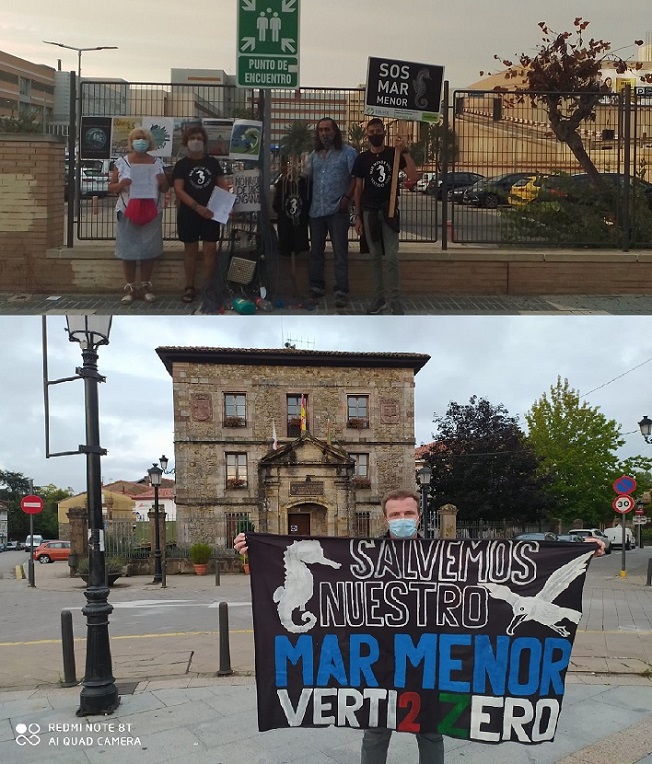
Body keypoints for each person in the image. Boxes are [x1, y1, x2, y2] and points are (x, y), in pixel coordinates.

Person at [352, 118, 418, 315]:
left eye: (378, 131)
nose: (374, 134)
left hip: (389, 212)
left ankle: (395, 300)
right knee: (374, 257)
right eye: (371, 132)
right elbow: (358, 188)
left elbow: (413, 176)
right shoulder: (361, 159)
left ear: (384, 132)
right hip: (369, 212)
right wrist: (357, 216)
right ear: (367, 135)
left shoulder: (393, 154)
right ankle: (378, 298)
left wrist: (404, 151)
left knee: (391, 257)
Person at [109, 127, 169, 304]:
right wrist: (121, 184)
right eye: (137, 138)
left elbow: (165, 189)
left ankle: (144, 287)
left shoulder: (157, 163)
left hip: (151, 211)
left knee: (148, 250)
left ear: (149, 142)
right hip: (127, 210)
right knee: (128, 250)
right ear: (131, 141)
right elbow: (111, 187)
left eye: (143, 138)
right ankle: (130, 287)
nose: (140, 141)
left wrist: (164, 181)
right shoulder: (121, 163)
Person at [172, 124, 229, 303]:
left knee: (210, 250)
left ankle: (208, 286)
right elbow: (178, 190)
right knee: (190, 250)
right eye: (192, 139)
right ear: (186, 142)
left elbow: (223, 185)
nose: (195, 142)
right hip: (189, 213)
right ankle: (189, 287)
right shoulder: (181, 165)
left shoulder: (212, 163)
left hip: (211, 212)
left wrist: (228, 205)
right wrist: (197, 207)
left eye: (199, 139)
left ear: (204, 142)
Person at [305, 117, 357, 308]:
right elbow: (307, 178)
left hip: (338, 210)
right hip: (316, 211)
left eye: (328, 129)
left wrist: (346, 199)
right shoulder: (313, 156)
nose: (324, 133)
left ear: (335, 131)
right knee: (316, 251)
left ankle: (341, 290)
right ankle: (316, 287)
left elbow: (356, 179)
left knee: (340, 253)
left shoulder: (348, 153)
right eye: (321, 130)